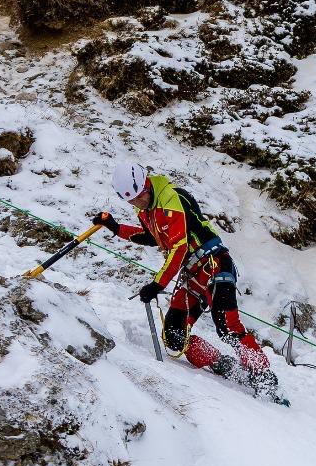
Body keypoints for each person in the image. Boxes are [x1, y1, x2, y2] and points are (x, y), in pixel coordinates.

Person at [93, 163, 279, 397]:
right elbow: (152, 238)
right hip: (192, 275)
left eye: (139, 198)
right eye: (132, 202)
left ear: (146, 186)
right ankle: (221, 363)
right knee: (173, 335)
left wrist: (157, 284)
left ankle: (263, 376)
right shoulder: (146, 210)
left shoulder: (172, 200)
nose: (137, 204)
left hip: (214, 265)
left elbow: (179, 248)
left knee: (226, 324)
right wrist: (115, 227)